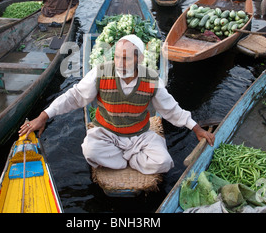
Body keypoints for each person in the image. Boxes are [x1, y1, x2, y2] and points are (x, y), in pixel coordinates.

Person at [19, 35, 215, 175]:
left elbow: (170, 109)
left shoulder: (151, 79)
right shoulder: (101, 72)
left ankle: (124, 158)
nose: (120, 63)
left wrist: (196, 128)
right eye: (117, 56)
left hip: (139, 135)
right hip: (107, 133)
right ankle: (129, 159)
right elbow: (75, 96)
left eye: (126, 58)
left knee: (163, 162)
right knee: (90, 150)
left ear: (138, 58)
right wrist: (43, 116)